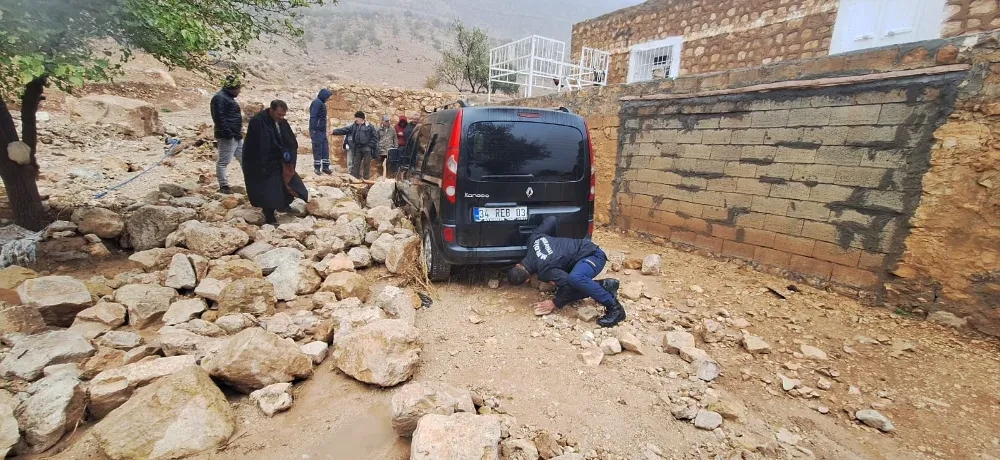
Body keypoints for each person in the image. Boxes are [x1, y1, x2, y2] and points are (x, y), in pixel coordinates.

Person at [507, 216, 626, 327]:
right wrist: (554, 243)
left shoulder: (545, 271)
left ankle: (615, 308)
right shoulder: (533, 240)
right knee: (571, 281)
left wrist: (555, 303)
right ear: (518, 265)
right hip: (585, 251)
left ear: (528, 279)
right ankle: (606, 285)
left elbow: (569, 286)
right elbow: (551, 219)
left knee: (574, 280)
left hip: (594, 256)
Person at [242, 100, 309, 225]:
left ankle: (284, 205)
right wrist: (280, 151)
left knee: (284, 183)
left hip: (278, 160)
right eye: (279, 114)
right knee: (268, 189)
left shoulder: (281, 122)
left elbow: (289, 139)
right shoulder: (258, 121)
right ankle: (269, 216)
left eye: (283, 115)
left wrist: (287, 152)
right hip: (261, 162)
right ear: (271, 110)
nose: (281, 117)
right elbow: (263, 144)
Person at [210, 75, 243, 194]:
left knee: (244, 158)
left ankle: (251, 180)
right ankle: (223, 185)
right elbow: (218, 117)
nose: (239, 91)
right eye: (238, 88)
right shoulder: (219, 98)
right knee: (224, 161)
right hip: (228, 135)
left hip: (235, 134)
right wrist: (228, 133)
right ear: (232, 87)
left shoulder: (227, 97)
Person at [331, 111, 378, 179]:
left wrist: (369, 146)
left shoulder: (370, 126)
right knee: (356, 164)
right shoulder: (354, 126)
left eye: (357, 119)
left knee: (366, 164)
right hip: (357, 148)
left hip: (366, 148)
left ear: (361, 119)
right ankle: (355, 179)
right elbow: (345, 130)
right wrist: (334, 131)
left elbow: (375, 137)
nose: (355, 120)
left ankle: (366, 179)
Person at [309, 88, 333, 175]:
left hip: (322, 130)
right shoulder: (317, 102)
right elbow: (313, 117)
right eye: (327, 97)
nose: (328, 99)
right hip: (317, 130)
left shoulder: (321, 103)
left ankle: (326, 167)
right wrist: (314, 129)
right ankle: (317, 168)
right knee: (317, 149)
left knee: (325, 148)